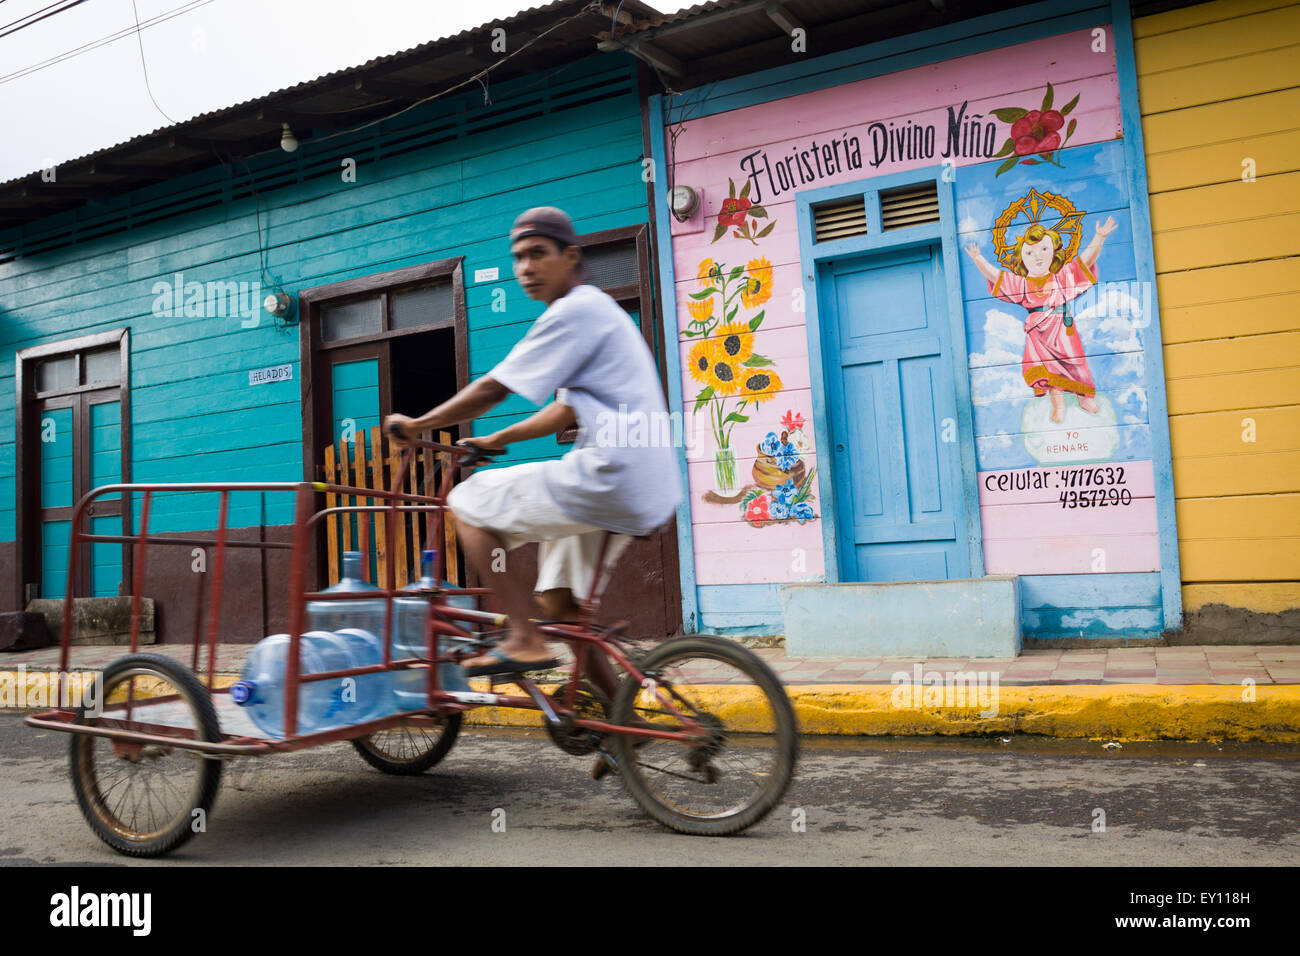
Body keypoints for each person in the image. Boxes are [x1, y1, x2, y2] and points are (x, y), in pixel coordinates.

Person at [384, 206, 681, 685]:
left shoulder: (573, 311)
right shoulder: (598, 313)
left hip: (609, 476)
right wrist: (499, 437)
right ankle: (621, 729)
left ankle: (523, 637)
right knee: (561, 603)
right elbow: (565, 410)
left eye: (538, 254)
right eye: (518, 258)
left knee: (465, 505)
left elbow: (493, 388)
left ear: (571, 256)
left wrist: (420, 425)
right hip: (643, 488)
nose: (526, 268)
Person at [964, 215, 1117, 423]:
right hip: (1038, 334)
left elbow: (1085, 262)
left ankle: (1084, 396)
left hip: (1062, 328)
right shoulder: (1022, 285)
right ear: (1022, 259)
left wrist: (1099, 237)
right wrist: (978, 259)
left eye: (1043, 249)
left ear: (1053, 252)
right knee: (1049, 370)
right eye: (1029, 252)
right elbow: (997, 277)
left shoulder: (1062, 278)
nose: (1037, 257)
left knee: (1076, 364)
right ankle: (1059, 406)